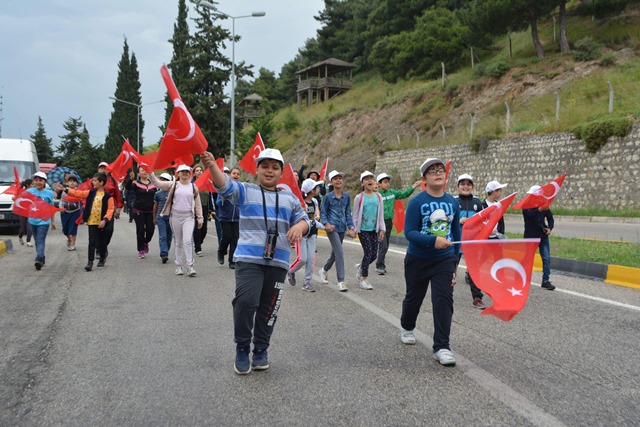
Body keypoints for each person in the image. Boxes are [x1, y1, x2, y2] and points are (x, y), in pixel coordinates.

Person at [202, 148, 309, 375]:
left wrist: (299, 227)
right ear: (257, 169)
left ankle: (260, 350)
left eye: (275, 167)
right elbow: (224, 185)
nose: (269, 171)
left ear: (281, 172)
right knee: (246, 302)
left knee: (269, 309)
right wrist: (212, 165)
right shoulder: (246, 191)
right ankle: (242, 348)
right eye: (265, 166)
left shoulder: (289, 198)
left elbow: (306, 221)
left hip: (278, 262)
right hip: (249, 260)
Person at [400, 158, 461, 367]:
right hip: (418, 259)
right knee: (413, 299)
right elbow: (410, 232)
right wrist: (433, 241)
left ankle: (442, 346)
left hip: (444, 260)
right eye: (432, 170)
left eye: (441, 170)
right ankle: (407, 326)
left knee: (443, 301)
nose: (438, 173)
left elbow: (457, 233)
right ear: (424, 178)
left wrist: (456, 261)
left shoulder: (453, 202)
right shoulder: (417, 201)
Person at [149, 165, 203, 277]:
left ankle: (190, 266)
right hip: (175, 217)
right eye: (182, 171)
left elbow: (197, 204)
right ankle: (178, 266)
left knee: (188, 241)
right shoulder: (173, 185)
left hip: (189, 217)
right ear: (177, 173)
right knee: (178, 242)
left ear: (190, 173)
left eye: (187, 172)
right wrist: (150, 172)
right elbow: (157, 183)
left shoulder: (193, 187)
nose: (184, 173)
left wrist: (200, 218)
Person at [55, 173, 114, 271]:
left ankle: (102, 258)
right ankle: (90, 262)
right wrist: (65, 189)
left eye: (95, 180)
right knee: (91, 242)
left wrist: (105, 220)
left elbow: (110, 210)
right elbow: (78, 193)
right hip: (92, 222)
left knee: (102, 242)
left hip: (102, 223)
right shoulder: (90, 193)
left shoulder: (108, 196)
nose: (92, 182)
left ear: (101, 182)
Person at [375, 172, 421, 275]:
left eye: (388, 182)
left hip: (388, 223)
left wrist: (413, 186)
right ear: (379, 184)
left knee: (385, 245)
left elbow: (404, 194)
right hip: (379, 224)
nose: (387, 184)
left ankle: (379, 261)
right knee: (383, 245)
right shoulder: (376, 195)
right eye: (385, 182)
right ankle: (380, 265)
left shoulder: (392, 193)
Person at [319, 170, 356, 292]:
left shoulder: (346, 196)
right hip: (332, 228)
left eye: (340, 178)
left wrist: (351, 227)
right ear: (331, 182)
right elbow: (323, 212)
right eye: (335, 178)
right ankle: (341, 281)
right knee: (339, 252)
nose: (338, 180)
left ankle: (324, 270)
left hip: (342, 228)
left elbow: (348, 213)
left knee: (335, 254)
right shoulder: (328, 197)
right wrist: (326, 224)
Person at [455, 173, 487, 309]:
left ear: (472, 187)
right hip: (456, 241)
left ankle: (477, 298)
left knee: (474, 271)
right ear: (458, 186)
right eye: (462, 184)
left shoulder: (477, 202)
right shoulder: (453, 201)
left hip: (472, 242)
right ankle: (445, 294)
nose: (465, 187)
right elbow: (446, 218)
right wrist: (458, 220)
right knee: (450, 269)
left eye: (468, 184)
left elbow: (483, 220)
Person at [288, 178, 323, 292]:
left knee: (311, 259)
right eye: (316, 187)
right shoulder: (300, 203)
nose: (318, 189)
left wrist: (320, 222)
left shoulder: (315, 201)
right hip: (301, 234)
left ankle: (307, 282)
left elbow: (316, 215)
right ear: (311, 190)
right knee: (302, 259)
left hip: (312, 233)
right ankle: (291, 271)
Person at [352, 171, 386, 290]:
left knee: (374, 255)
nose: (369, 180)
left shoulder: (378, 197)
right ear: (362, 183)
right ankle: (363, 279)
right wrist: (353, 229)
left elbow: (380, 215)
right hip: (363, 230)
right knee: (368, 253)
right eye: (366, 179)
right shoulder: (359, 198)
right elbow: (355, 215)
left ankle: (360, 267)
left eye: (371, 178)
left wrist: (382, 229)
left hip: (374, 229)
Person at [17, 172, 56, 270]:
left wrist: (53, 222)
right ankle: (41, 257)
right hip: (32, 221)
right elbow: (20, 198)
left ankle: (38, 259)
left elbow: (51, 208)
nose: (38, 182)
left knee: (40, 240)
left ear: (45, 182)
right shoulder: (30, 191)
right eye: (36, 180)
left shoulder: (48, 193)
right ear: (34, 181)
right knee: (37, 241)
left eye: (41, 180)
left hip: (44, 221)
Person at [523, 185, 556, 291]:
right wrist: (540, 209)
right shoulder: (526, 205)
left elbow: (550, 219)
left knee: (546, 258)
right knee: (527, 259)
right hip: (530, 237)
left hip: (542, 236)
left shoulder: (543, 205)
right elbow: (530, 215)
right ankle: (523, 278)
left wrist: (550, 228)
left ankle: (546, 280)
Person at [126, 168, 157, 259]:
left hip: (150, 210)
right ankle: (141, 249)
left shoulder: (153, 184)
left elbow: (157, 197)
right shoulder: (136, 183)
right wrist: (130, 179)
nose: (144, 172)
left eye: (146, 170)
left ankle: (145, 242)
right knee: (140, 230)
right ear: (138, 173)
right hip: (138, 210)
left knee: (150, 230)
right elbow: (128, 188)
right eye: (142, 170)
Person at [97, 161, 124, 255]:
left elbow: (118, 195)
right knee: (98, 229)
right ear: (98, 169)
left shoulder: (112, 180)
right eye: (101, 168)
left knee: (109, 230)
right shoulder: (94, 180)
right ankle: (99, 248)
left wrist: (119, 208)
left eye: (105, 168)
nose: (103, 170)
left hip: (110, 208)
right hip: (96, 208)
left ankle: (103, 246)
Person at [217, 167, 241, 269]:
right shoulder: (224, 187)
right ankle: (221, 251)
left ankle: (232, 261)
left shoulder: (241, 188)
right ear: (230, 175)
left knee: (235, 239)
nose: (236, 175)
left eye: (238, 174)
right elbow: (217, 203)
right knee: (227, 236)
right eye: (234, 173)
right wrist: (223, 199)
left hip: (237, 218)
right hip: (225, 217)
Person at [59, 174, 83, 251]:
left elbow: (82, 202)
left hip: (75, 212)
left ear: (76, 183)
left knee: (73, 229)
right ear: (67, 182)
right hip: (65, 212)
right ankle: (69, 239)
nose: (72, 183)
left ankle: (73, 244)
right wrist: (61, 207)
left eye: (74, 181)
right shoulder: (64, 191)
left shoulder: (78, 191)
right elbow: (61, 200)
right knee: (65, 230)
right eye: (70, 181)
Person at [192, 165, 211, 257]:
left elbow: (210, 198)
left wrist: (211, 209)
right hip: (194, 209)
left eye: (200, 170)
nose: (199, 172)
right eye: (197, 170)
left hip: (205, 208)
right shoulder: (192, 184)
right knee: (197, 229)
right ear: (194, 173)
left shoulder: (207, 183)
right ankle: (198, 248)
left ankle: (198, 242)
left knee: (204, 230)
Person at [153, 173, 173, 264]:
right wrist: (154, 217)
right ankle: (164, 254)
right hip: (160, 217)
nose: (163, 182)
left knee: (169, 237)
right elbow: (155, 206)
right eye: (161, 179)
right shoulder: (158, 193)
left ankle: (166, 251)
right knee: (163, 236)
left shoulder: (173, 193)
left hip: (171, 217)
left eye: (165, 180)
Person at [17, 179, 34, 247]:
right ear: (28, 185)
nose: (34, 185)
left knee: (30, 227)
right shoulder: (23, 192)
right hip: (23, 211)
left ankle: (28, 241)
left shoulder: (34, 192)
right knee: (23, 227)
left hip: (31, 211)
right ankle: (20, 237)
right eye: (32, 184)